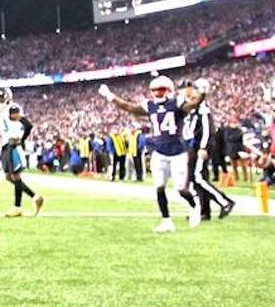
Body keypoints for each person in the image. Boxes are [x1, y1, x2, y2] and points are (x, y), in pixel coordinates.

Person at [98, 75, 202, 233]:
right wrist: (109, 96)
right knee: (159, 188)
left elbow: (193, 105)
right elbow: (128, 107)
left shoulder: (178, 103)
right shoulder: (149, 105)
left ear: (168, 91)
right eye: (154, 90)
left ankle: (194, 205)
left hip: (177, 152)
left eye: (160, 90)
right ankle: (167, 221)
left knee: (181, 189)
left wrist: (203, 93)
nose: (156, 94)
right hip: (159, 152)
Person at [180, 79, 234, 220]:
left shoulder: (201, 107)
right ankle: (204, 210)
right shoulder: (191, 107)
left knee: (199, 177)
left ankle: (225, 202)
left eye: (188, 88)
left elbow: (207, 129)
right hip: (193, 146)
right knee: (193, 179)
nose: (185, 91)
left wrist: (204, 147)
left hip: (199, 146)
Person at [0, 87, 42, 217]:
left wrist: (20, 139)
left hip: (13, 145)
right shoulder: (0, 109)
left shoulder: (12, 108)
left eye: (1, 97)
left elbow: (28, 125)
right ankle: (35, 196)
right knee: (9, 177)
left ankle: (17, 207)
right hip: (5, 145)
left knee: (16, 176)